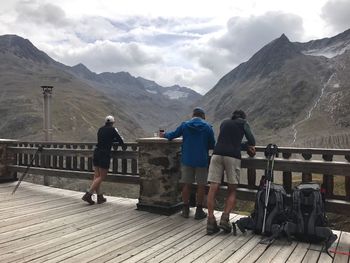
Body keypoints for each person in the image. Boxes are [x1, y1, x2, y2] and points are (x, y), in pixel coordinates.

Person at [206, 110, 256, 234]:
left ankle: (210, 221)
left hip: (216, 154)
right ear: (243, 117)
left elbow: (225, 139)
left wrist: (240, 144)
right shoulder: (243, 123)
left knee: (213, 188)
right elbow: (252, 140)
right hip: (232, 157)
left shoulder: (224, 122)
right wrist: (246, 145)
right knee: (232, 189)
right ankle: (225, 219)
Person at [162, 107, 215, 219]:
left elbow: (172, 135)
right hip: (201, 160)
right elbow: (212, 145)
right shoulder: (208, 127)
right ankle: (199, 211)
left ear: (193, 115)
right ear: (203, 116)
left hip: (187, 159)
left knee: (186, 184)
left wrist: (164, 135)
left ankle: (185, 209)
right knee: (201, 186)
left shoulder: (185, 125)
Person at [82, 115, 124, 205]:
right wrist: (115, 141)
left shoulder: (100, 129)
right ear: (113, 122)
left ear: (105, 122)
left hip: (96, 152)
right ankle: (88, 194)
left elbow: (103, 139)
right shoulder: (112, 130)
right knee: (102, 176)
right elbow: (121, 141)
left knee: (97, 176)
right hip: (104, 154)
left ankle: (100, 197)